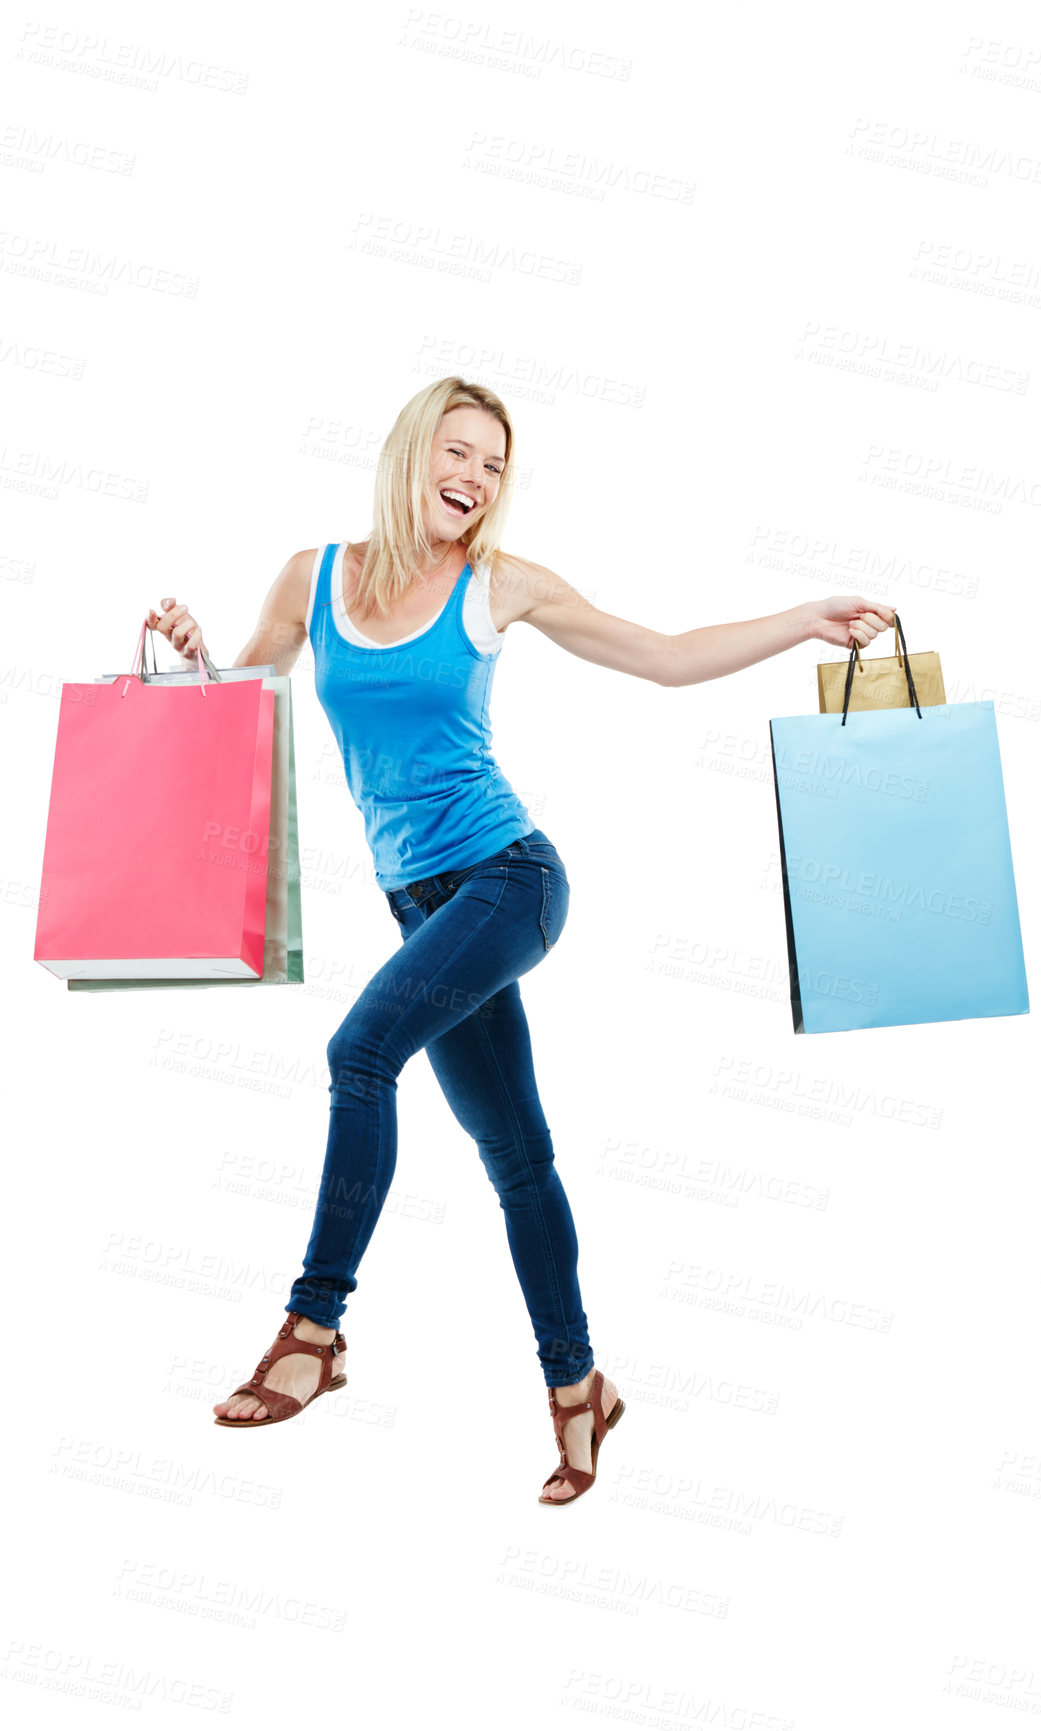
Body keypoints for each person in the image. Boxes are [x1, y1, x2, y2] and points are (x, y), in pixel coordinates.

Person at [148, 375, 894, 1503]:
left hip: (509, 882)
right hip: (420, 905)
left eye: (494, 464)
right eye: (458, 452)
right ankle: (578, 1384)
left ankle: (314, 1328)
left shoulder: (499, 586)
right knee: (517, 1155)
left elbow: (661, 654)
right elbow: (242, 698)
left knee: (359, 1055)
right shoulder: (315, 577)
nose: (474, 477)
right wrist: (197, 655)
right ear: (411, 455)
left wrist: (802, 620)